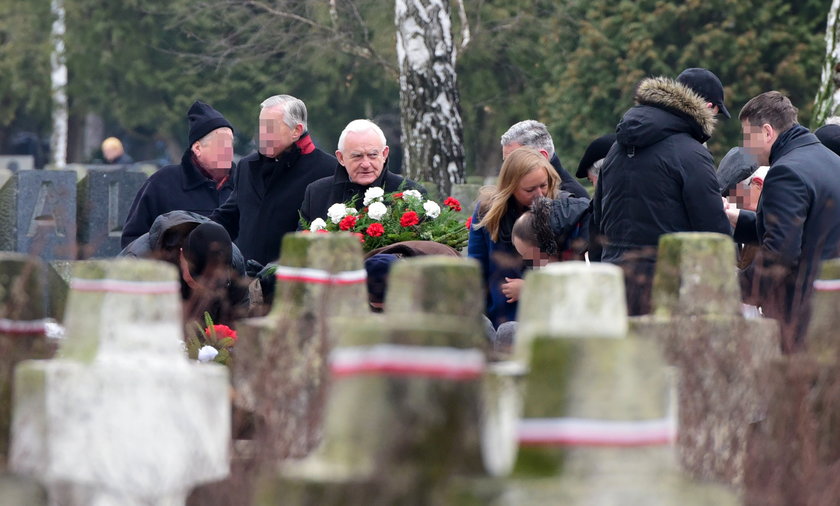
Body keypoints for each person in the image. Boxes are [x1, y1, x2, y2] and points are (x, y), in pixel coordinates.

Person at [592, 67, 732, 315]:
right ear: (709, 107)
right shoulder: (692, 154)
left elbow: (598, 216)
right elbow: (713, 231)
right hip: (666, 284)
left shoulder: (615, 149)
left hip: (613, 279)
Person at [728, 91, 840, 352]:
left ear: (767, 132)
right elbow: (811, 226)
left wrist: (735, 289)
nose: (745, 147)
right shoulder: (832, 161)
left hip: (801, 313)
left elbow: (782, 252)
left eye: (747, 137)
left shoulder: (785, 171)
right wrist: (740, 220)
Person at [211, 95, 336, 268]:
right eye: (261, 126)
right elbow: (229, 217)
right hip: (244, 283)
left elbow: (322, 236)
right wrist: (193, 236)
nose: (262, 134)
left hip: (292, 284)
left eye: (270, 128)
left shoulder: (327, 170)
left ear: (296, 131)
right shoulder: (247, 166)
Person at [121, 101, 235, 248]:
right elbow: (133, 241)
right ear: (198, 148)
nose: (228, 150)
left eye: (231, 144)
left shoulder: (245, 183)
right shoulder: (162, 183)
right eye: (221, 144)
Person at [468, 146, 560, 328]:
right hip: (498, 316)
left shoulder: (559, 211)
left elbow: (564, 271)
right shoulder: (487, 212)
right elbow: (477, 266)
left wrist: (530, 288)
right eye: (529, 189)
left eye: (543, 185)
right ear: (510, 187)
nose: (539, 195)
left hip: (543, 319)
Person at [299, 119, 425, 223]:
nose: (365, 164)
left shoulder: (411, 193)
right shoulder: (317, 193)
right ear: (341, 158)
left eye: (372, 155)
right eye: (357, 156)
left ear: (385, 154)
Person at [500, 120, 588, 198]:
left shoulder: (572, 201)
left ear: (542, 156)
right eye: (506, 162)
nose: (508, 168)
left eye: (514, 161)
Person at [511, 195, 591, 267]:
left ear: (549, 248)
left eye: (535, 258)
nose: (537, 265)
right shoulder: (571, 241)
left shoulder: (594, 251)